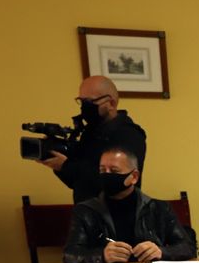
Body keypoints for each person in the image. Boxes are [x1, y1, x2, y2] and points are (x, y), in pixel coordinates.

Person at [63, 148, 196, 263]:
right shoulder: (86, 211)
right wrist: (102, 255)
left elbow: (187, 247)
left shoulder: (159, 208)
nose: (106, 175)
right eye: (102, 170)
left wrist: (161, 252)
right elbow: (70, 255)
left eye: (114, 171)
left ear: (134, 177)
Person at [38, 75, 147, 203]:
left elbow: (116, 180)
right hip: (86, 214)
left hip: (116, 217)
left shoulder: (128, 134)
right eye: (82, 101)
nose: (84, 107)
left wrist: (66, 166)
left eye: (90, 102)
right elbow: (78, 183)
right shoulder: (90, 132)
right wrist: (57, 163)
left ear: (111, 103)